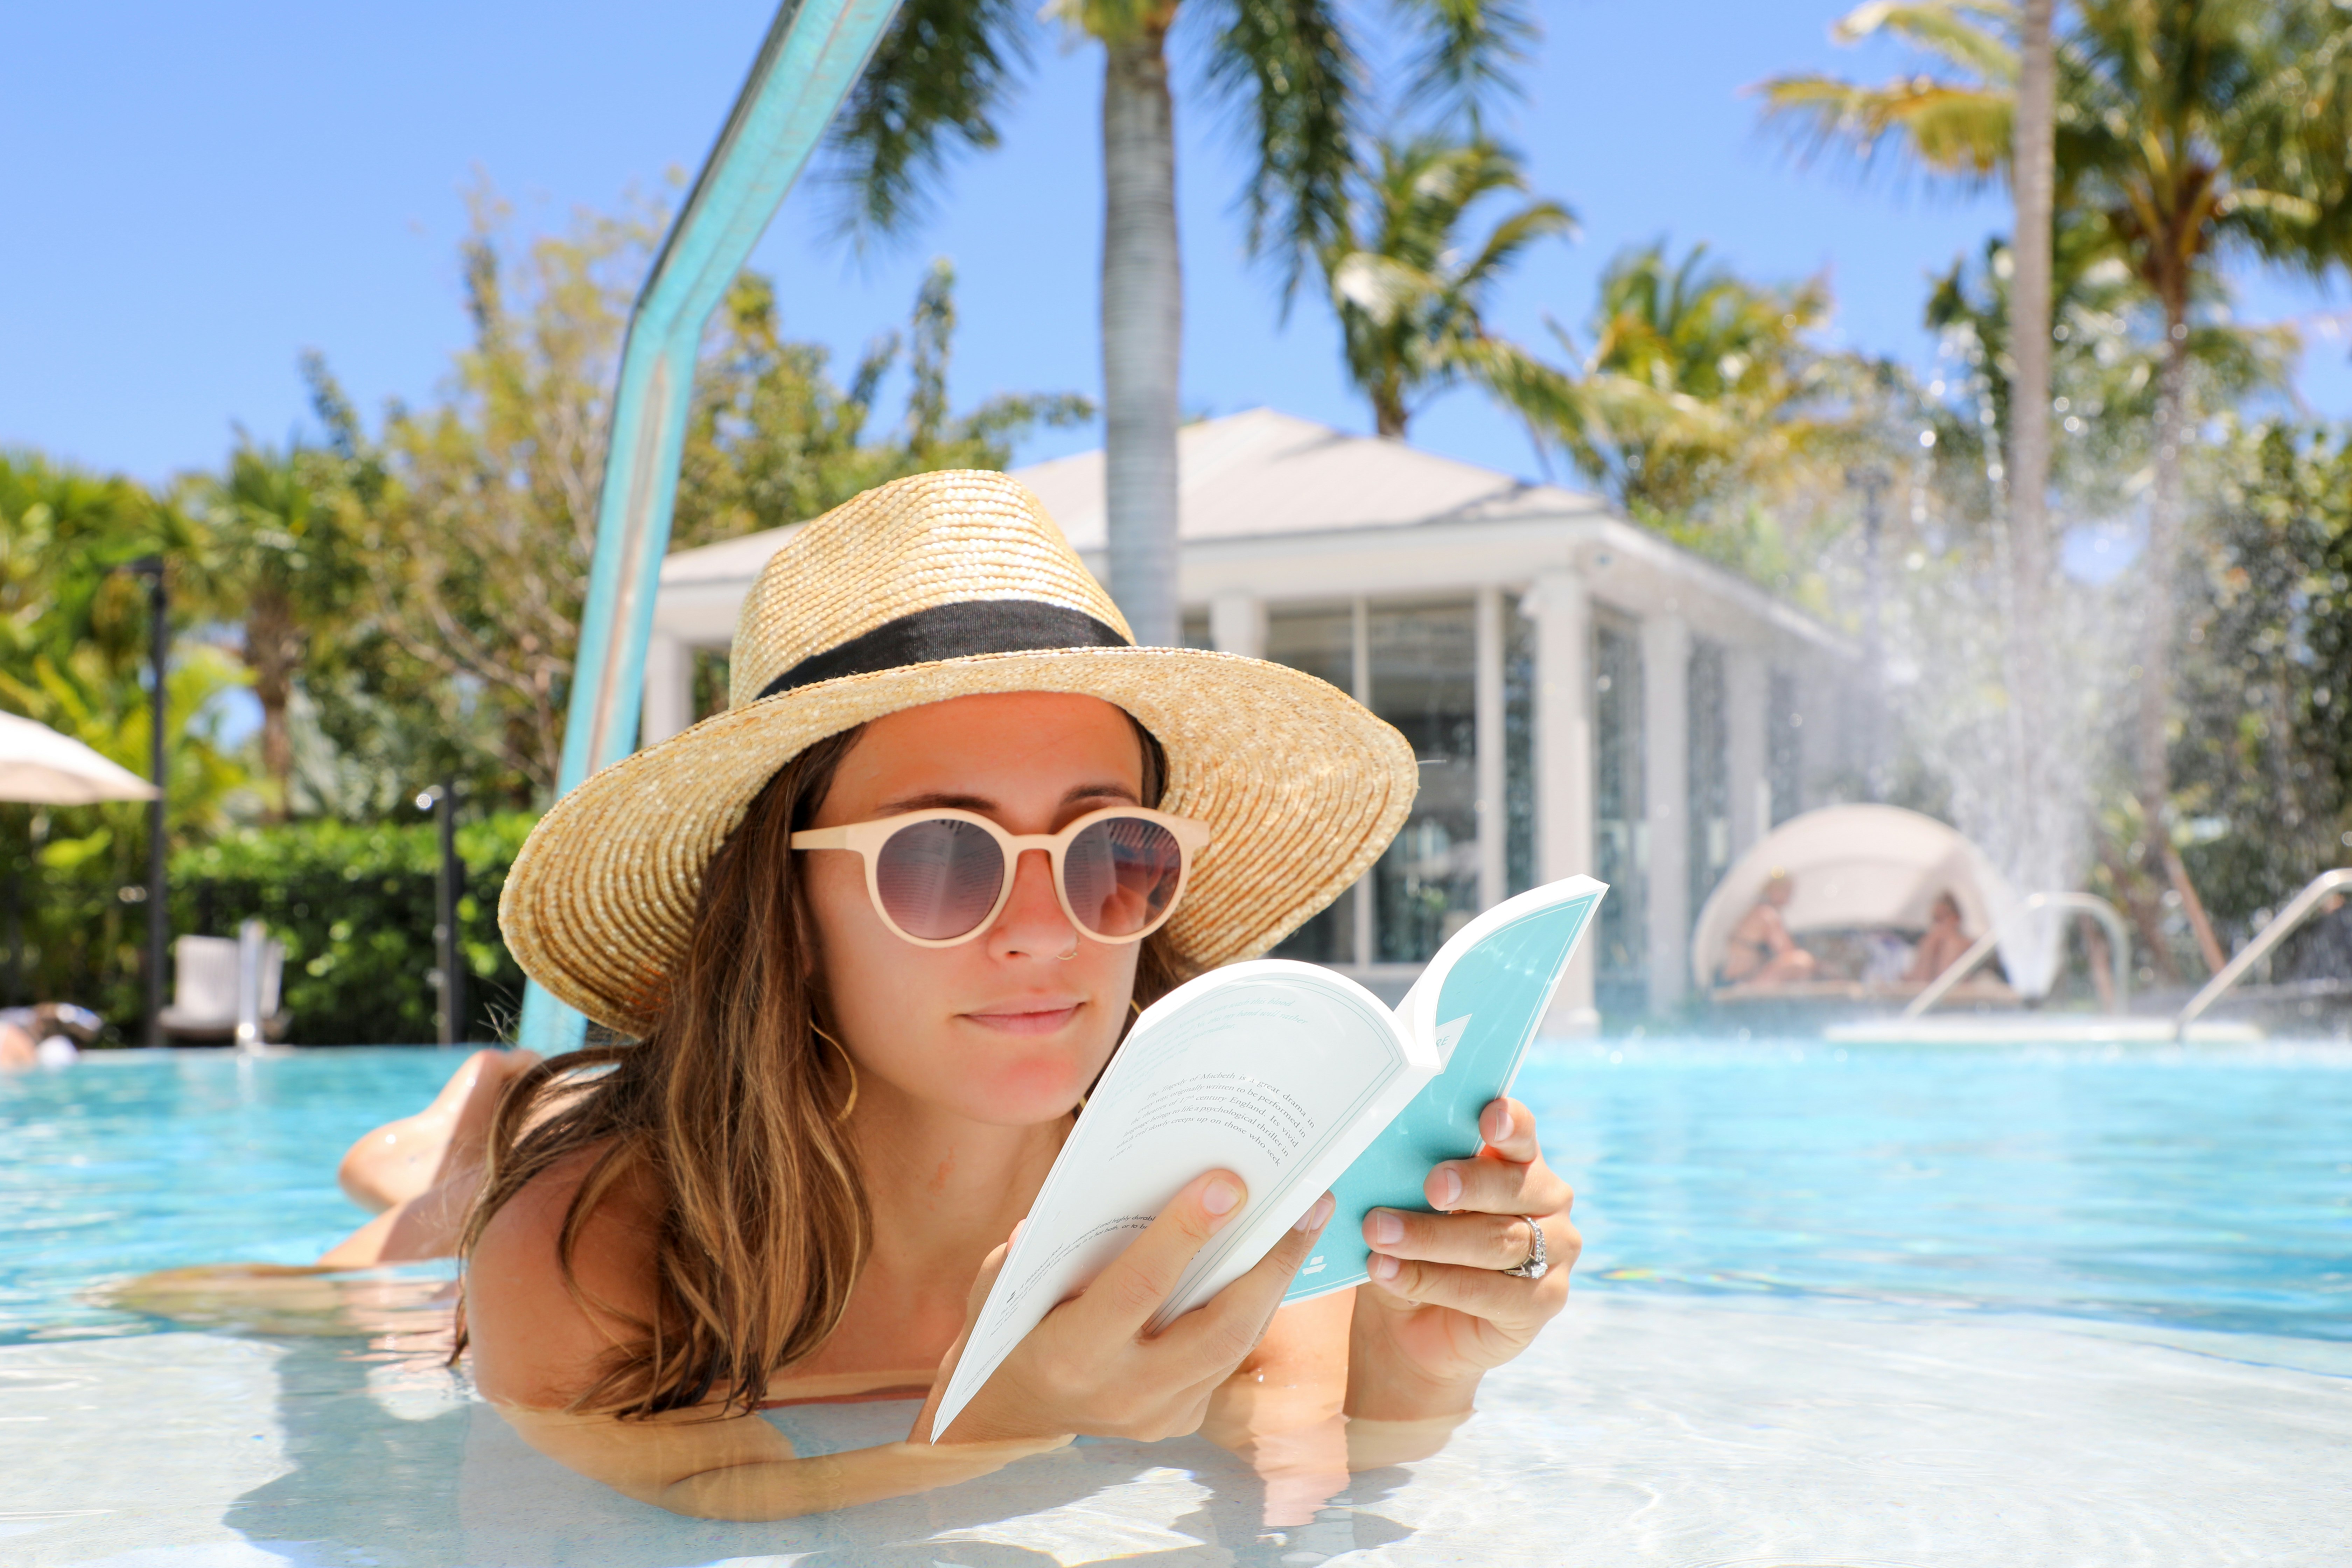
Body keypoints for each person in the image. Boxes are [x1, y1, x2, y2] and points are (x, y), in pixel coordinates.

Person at [316, 471, 1581, 1520]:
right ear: (786, 910)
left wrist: (1422, 1370)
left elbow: (1310, 1471)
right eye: (938, 856)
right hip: (556, 1175)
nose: (1044, 933)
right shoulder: (593, 1249)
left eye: (1109, 853)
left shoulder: (1231, 1190)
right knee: (389, 1252)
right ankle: (466, 1130)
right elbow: (697, 1543)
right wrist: (1018, 1419)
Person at [1717, 870, 1818, 986]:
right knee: (1802, 961)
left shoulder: (1757, 911)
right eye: (1785, 890)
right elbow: (1787, 952)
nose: (1789, 896)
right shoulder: (1767, 914)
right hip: (1741, 981)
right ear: (1771, 890)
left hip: (1738, 978)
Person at [1902, 892, 1974, 986]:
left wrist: (1929, 947)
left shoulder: (1957, 944)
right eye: (1935, 920)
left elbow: (1944, 983)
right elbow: (1915, 982)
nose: (1937, 926)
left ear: (1956, 919)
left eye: (1941, 919)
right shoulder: (1931, 942)